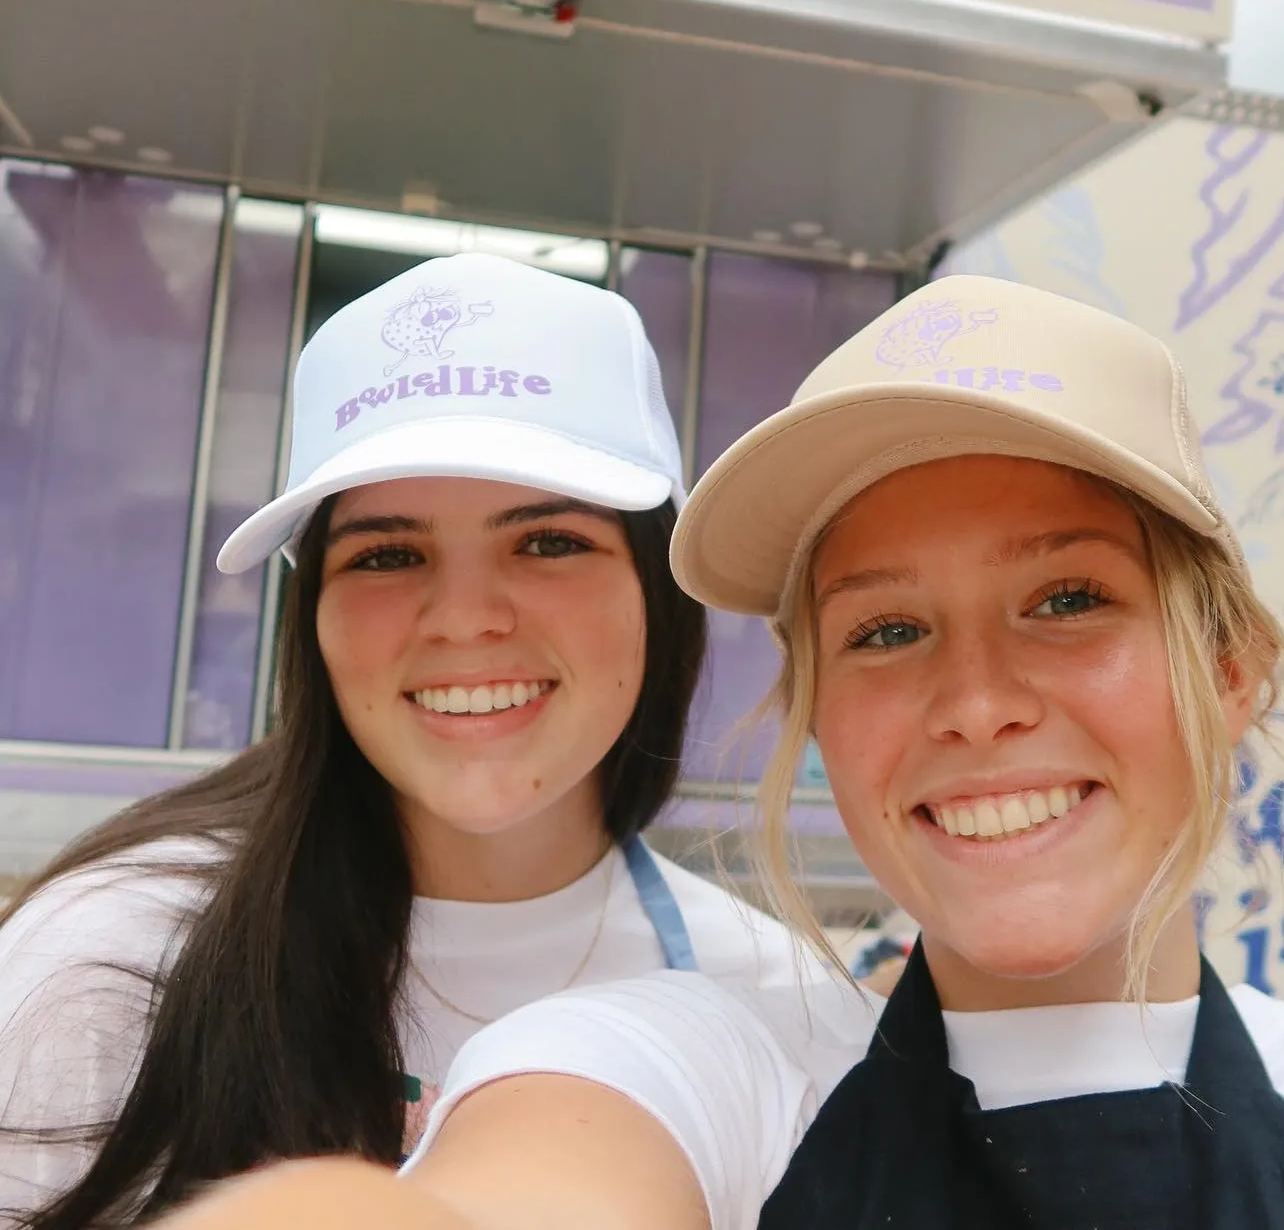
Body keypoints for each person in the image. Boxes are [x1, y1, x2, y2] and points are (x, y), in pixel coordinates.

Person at [158, 275, 1284, 1230]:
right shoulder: (700, 1068)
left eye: (1066, 599)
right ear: (820, 715)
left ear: (1228, 669)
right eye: (887, 628)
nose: (978, 701)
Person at [0, 252, 815, 1228]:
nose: (464, 618)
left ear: (657, 594)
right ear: (313, 620)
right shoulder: (108, 958)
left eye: (548, 539)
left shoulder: (776, 1000)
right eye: (387, 552)